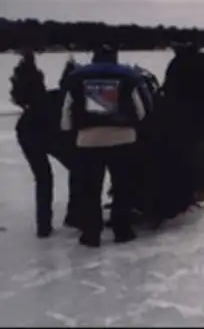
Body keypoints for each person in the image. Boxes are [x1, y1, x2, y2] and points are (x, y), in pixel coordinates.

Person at [60, 45, 150, 247]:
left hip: (88, 140)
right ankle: (122, 230)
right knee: (122, 187)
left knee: (90, 189)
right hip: (123, 138)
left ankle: (91, 234)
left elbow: (66, 110)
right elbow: (141, 109)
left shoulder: (76, 77)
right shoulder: (129, 75)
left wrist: (70, 134)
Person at [11, 52, 80, 237]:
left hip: (26, 131)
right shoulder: (57, 98)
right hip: (49, 132)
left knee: (43, 178)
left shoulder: (40, 102)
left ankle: (44, 226)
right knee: (78, 168)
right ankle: (74, 215)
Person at [161, 41, 204, 203]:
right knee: (200, 152)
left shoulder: (176, 64)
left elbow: (168, 89)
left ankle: (185, 188)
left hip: (180, 116)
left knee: (182, 153)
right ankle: (201, 188)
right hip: (202, 115)